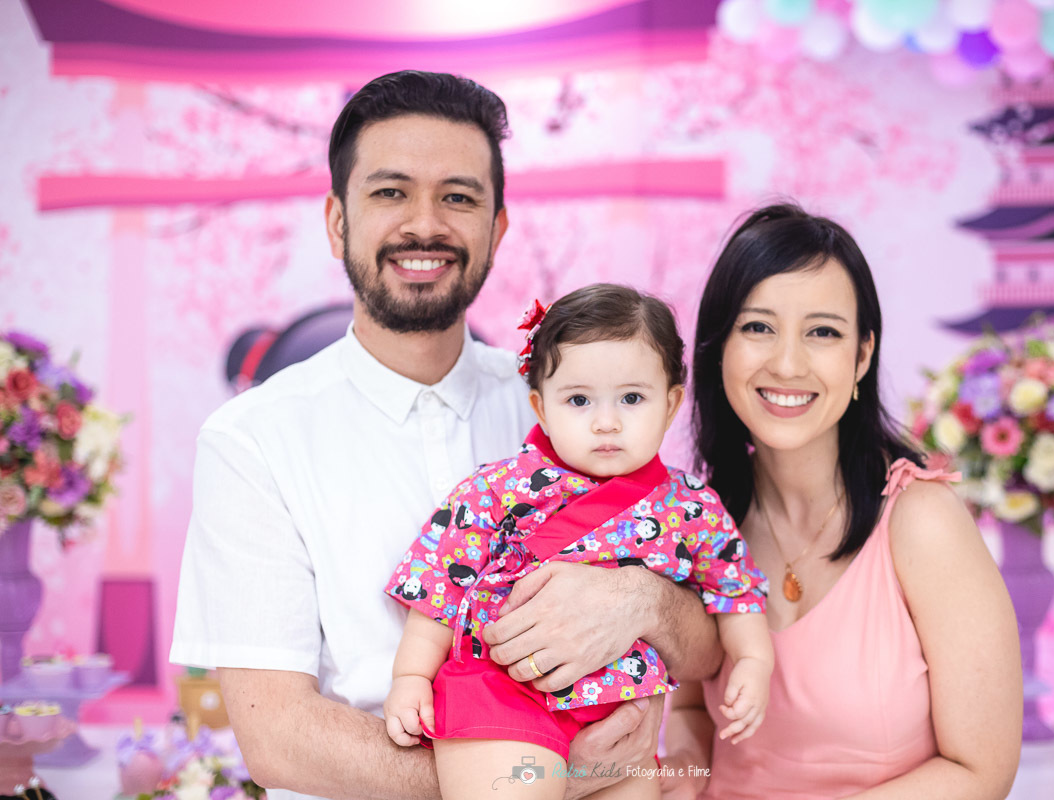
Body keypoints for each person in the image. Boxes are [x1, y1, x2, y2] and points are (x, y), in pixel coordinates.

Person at [169, 71, 723, 800]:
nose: (424, 224)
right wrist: (536, 774)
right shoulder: (253, 440)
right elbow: (278, 740)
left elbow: (707, 647)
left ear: (496, 228)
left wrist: (645, 601)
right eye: (390, 192)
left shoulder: (571, 408)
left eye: (457, 197)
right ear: (338, 221)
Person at [661, 204, 1022, 799]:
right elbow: (695, 715)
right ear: (718, 347)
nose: (787, 363)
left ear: (861, 356)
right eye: (757, 327)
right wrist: (680, 772)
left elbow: (981, 771)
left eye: (822, 332)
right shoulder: (699, 523)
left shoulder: (921, 522)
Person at [382, 284, 773, 799]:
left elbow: (734, 590)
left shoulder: (692, 506)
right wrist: (410, 676)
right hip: (505, 696)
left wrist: (754, 661)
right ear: (542, 409)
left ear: (672, 403)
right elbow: (442, 587)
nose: (606, 421)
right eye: (579, 399)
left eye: (632, 398)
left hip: (622, 718)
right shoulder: (498, 488)